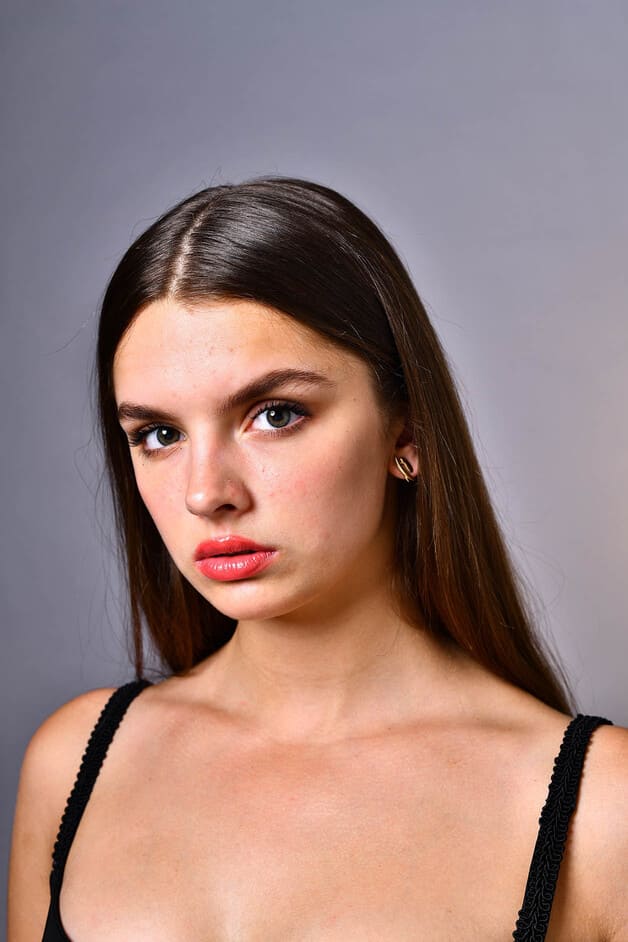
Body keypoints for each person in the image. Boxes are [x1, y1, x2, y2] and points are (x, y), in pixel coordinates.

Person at [7, 177, 628, 941]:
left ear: (405, 431)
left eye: (274, 414)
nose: (207, 492)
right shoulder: (75, 762)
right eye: (159, 435)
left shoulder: (600, 810)